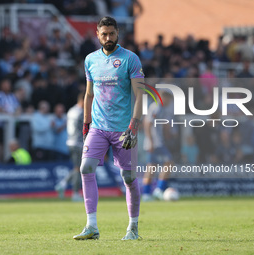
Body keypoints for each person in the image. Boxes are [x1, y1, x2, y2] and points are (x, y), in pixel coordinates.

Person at [73, 16, 144, 241]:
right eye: (104, 34)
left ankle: (133, 227)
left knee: (129, 177)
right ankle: (91, 226)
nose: (108, 38)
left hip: (124, 129)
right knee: (85, 168)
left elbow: (140, 95)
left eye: (111, 34)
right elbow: (89, 94)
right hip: (98, 127)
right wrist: (86, 124)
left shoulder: (130, 59)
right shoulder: (90, 60)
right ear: (97, 34)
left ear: (117, 33)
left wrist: (134, 125)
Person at [141, 90, 176, 201]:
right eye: (168, 99)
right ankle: (155, 192)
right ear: (163, 97)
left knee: (154, 166)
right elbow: (147, 123)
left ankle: (151, 193)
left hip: (158, 142)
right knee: (162, 164)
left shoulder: (162, 109)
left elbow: (163, 125)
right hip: (155, 143)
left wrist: (168, 133)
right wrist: (150, 141)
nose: (169, 102)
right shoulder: (155, 107)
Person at [55, 92, 84, 201]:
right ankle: (75, 193)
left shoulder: (71, 110)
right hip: (78, 142)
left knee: (77, 167)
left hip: (70, 142)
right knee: (78, 169)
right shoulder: (81, 112)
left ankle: (62, 184)